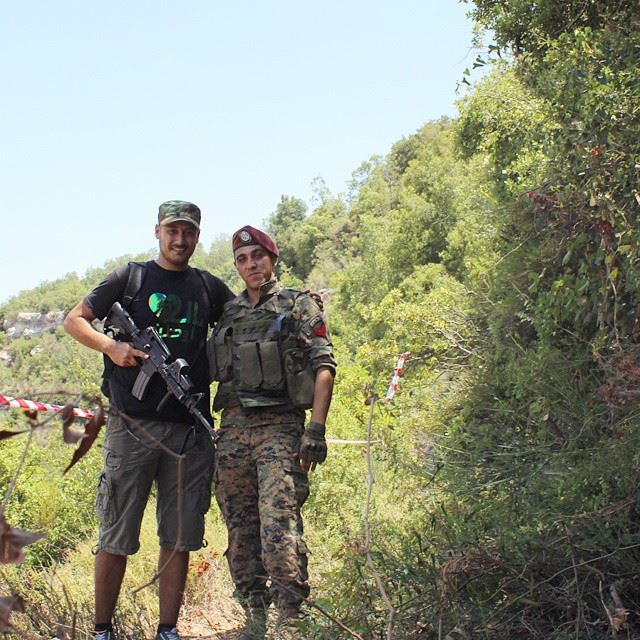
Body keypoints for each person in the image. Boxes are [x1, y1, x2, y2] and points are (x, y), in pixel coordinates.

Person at [63, 201, 235, 640]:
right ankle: (102, 630)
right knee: (116, 529)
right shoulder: (130, 278)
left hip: (189, 432)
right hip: (131, 426)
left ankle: (167, 630)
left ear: (197, 236)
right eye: (173, 231)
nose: (180, 240)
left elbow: (245, 319)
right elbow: (74, 320)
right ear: (157, 231)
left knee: (179, 535)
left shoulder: (207, 287)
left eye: (189, 233)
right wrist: (111, 347)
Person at [208, 225, 336, 639]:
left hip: (280, 429)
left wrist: (315, 430)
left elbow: (324, 368)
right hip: (232, 431)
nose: (251, 266)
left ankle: (290, 614)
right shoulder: (228, 313)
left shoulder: (297, 305)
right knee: (240, 525)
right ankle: (254, 612)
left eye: (257, 257)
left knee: (278, 521)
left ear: (272, 258)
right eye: (243, 260)